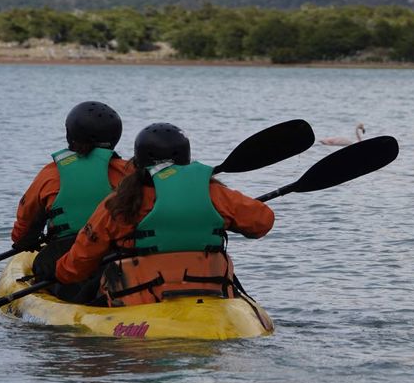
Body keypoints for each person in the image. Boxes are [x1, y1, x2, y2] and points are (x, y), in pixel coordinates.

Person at [33, 122, 274, 307]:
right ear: (185, 158)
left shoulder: (119, 204)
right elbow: (262, 222)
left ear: (138, 160)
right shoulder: (214, 193)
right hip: (208, 294)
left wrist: (58, 273)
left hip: (137, 302)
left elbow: (78, 263)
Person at [11, 101, 129, 301]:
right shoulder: (129, 173)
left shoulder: (50, 174)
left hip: (66, 255)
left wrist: (26, 241)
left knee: (45, 265)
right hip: (115, 255)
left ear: (70, 134)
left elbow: (22, 233)